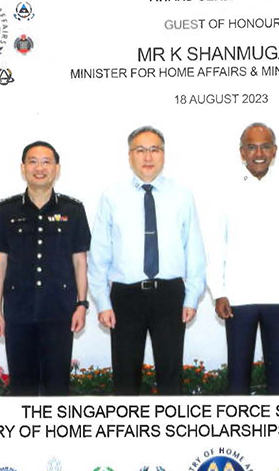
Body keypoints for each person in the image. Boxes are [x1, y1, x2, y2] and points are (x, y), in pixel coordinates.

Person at [88, 125, 206, 395]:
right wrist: (103, 302)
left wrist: (191, 297)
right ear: (129, 156)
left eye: (155, 150)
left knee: (171, 377)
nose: (148, 157)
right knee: (125, 378)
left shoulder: (182, 195)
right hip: (125, 296)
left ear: (164, 154)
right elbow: (99, 254)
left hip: (170, 295)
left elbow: (194, 249)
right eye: (140, 150)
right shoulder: (112, 196)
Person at [206, 123, 279, 395]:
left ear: (275, 151)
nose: (259, 153)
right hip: (238, 298)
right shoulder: (225, 190)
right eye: (252, 147)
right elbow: (216, 246)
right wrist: (218, 292)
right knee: (238, 380)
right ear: (242, 152)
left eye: (265, 146)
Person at [0, 141, 90, 396]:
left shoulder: (73, 209)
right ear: (23, 168)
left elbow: (80, 261)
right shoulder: (6, 210)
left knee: (57, 385)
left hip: (60, 310)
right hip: (18, 311)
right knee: (22, 386)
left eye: (46, 162)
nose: (39, 168)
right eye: (33, 162)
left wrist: (82, 304)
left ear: (57, 168)